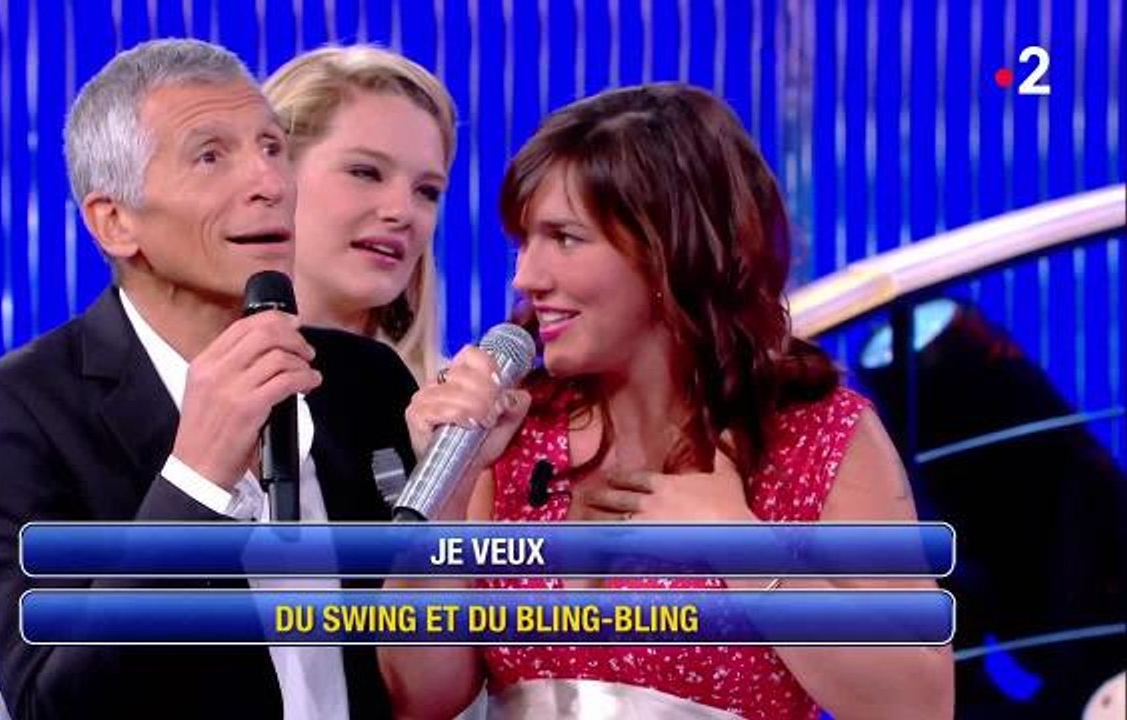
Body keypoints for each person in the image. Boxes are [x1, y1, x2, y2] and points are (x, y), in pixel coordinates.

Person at [380, 84, 955, 719]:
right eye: (525, 242)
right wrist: (451, 496)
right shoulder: (515, 435)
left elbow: (920, 706)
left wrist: (743, 547)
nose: (526, 277)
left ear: (669, 251)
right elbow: (421, 698)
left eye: (564, 238)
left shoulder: (816, 437)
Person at [0, 38, 415, 719]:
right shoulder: (20, 409)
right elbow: (54, 702)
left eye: (272, 147)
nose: (270, 182)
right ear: (115, 222)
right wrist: (196, 481)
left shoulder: (365, 380)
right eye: (211, 156)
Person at [263, 45, 456, 384]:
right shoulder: (179, 379)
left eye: (426, 191)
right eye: (365, 172)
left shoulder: (456, 409)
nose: (402, 212)